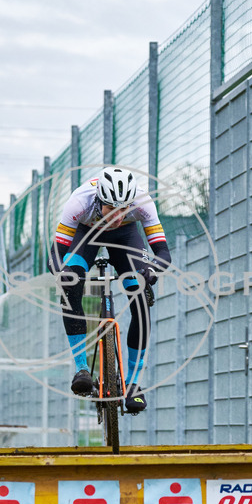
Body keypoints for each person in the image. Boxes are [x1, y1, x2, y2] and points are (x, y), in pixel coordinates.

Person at [49, 166, 171, 413]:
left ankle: (134, 385)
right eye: (110, 209)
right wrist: (65, 275)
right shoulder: (79, 202)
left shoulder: (143, 202)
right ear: (98, 200)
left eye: (123, 209)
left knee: (139, 292)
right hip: (87, 234)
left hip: (125, 238)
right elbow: (55, 256)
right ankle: (82, 369)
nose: (116, 216)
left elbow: (163, 253)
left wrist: (152, 270)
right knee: (69, 284)